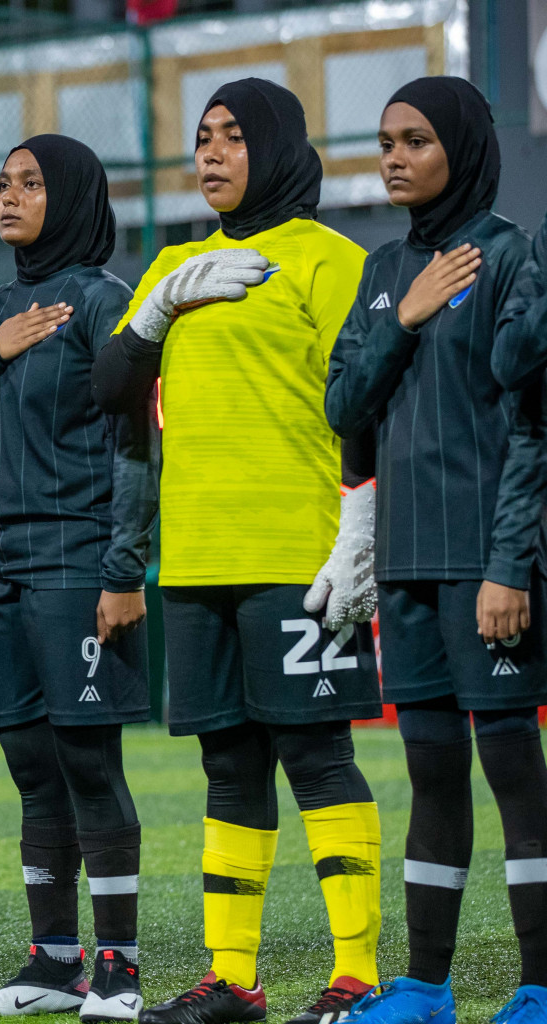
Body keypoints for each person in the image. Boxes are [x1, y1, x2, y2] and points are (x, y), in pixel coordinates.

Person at [92, 79, 385, 1024]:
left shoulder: (329, 261)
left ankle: (357, 977)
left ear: (277, 145)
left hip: (301, 554)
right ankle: (234, 979)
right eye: (202, 138)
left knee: (318, 757)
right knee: (228, 767)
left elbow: (369, 400)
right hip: (197, 560)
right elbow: (110, 389)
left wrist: (360, 526)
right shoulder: (172, 263)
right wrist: (157, 308)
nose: (210, 154)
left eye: (231, 138)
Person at [0, 135, 157, 1020]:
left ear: (75, 196)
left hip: (77, 561)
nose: (8, 197)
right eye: (2, 182)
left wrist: (124, 566)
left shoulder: (104, 303)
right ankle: (53, 964)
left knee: (89, 766)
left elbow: (139, 446)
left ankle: (121, 972)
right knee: (28, 768)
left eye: (30, 184)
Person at [325, 76, 547, 1024]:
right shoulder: (383, 274)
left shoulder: (510, 260)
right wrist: (405, 315)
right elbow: (343, 407)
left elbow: (532, 429)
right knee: (428, 771)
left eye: (416, 139)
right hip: (408, 568)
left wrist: (508, 564)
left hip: (484, 566)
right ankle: (424, 986)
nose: (395, 156)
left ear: (460, 147)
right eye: (386, 141)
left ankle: (540, 984)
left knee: (511, 770)